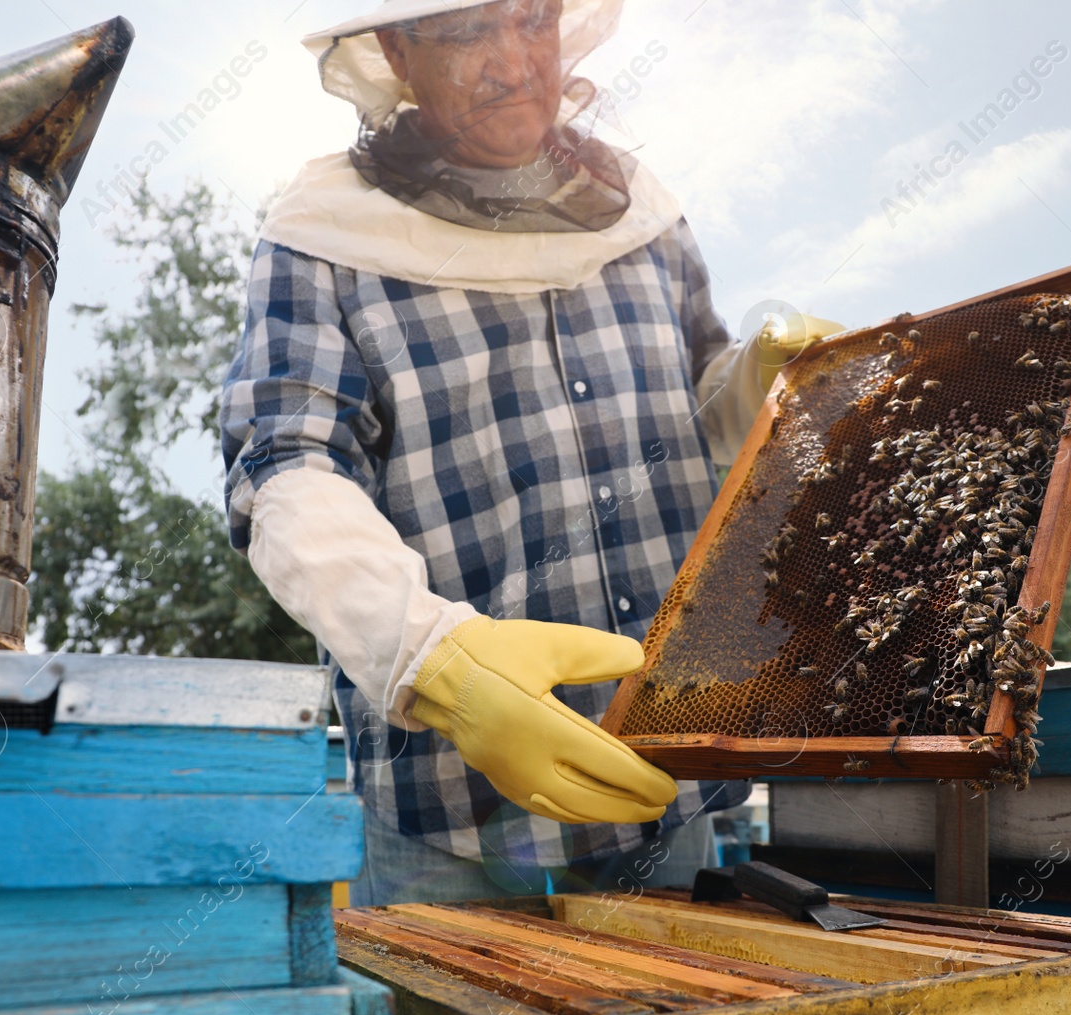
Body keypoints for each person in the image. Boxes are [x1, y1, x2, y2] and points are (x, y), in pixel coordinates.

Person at [220, 0, 839, 905]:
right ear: (396, 49)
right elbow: (285, 467)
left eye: (533, 22)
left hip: (663, 772)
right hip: (451, 804)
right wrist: (440, 664)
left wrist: (765, 376)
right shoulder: (320, 236)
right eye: (471, 31)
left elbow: (701, 398)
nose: (515, 63)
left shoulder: (644, 209)